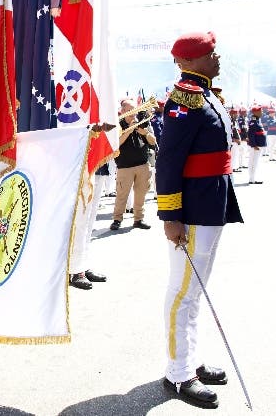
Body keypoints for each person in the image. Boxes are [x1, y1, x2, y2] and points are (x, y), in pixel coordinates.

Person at [156, 31, 243, 409]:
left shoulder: (206, 94)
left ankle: (189, 358)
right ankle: (178, 373)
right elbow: (169, 161)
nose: (217, 57)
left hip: (210, 202)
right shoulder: (184, 99)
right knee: (183, 291)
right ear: (189, 61)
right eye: (210, 53)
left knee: (196, 291)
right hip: (191, 208)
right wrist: (171, 215)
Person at [109, 99, 156, 230]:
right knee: (121, 195)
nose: (134, 114)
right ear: (123, 111)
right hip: (125, 167)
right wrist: (128, 131)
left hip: (142, 165)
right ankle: (117, 219)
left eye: (135, 111)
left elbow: (153, 142)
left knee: (141, 194)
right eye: (130, 111)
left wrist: (145, 132)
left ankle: (138, 219)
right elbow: (115, 144)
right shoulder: (118, 125)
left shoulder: (143, 122)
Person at [69, 161, 110, 290]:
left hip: (97, 164)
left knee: (89, 219)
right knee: (80, 219)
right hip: (79, 165)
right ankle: (75, 269)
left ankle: (83, 264)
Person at [246, 105, 266, 184]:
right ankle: (252, 179)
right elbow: (251, 134)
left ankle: (252, 178)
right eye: (260, 111)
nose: (262, 112)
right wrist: (254, 145)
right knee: (253, 162)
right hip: (256, 146)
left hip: (258, 145)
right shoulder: (253, 122)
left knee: (255, 162)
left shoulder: (257, 120)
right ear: (255, 112)